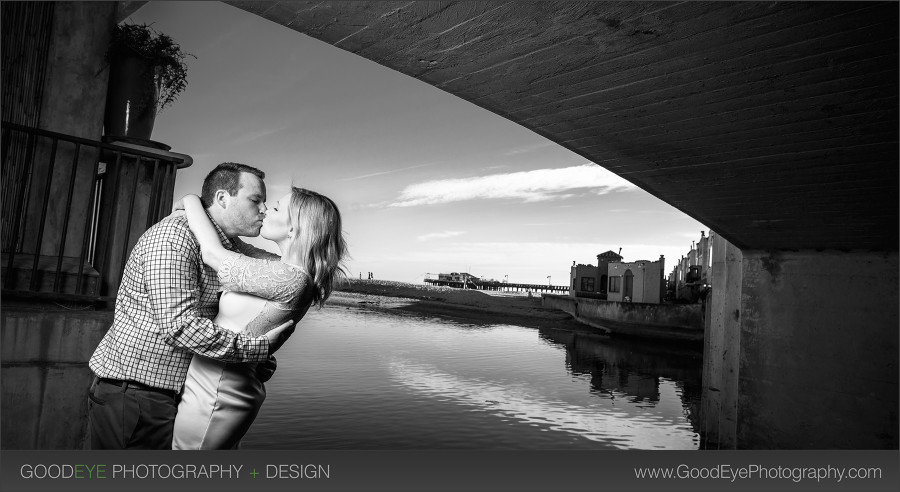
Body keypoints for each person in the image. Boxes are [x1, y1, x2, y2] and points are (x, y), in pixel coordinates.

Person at [87, 162, 294, 450]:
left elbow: (282, 271)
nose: (262, 209)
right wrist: (255, 350)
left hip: (179, 395)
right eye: (255, 200)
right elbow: (180, 326)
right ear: (223, 198)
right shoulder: (174, 238)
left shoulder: (230, 246)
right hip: (139, 395)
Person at [172, 186, 347, 449]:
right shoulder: (281, 268)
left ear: (294, 229)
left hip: (219, 391)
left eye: (276, 208)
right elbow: (233, 245)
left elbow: (212, 252)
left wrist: (190, 199)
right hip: (217, 382)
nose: (265, 209)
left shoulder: (290, 279)